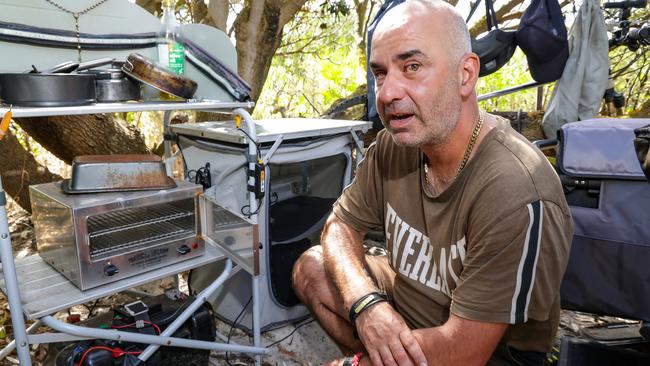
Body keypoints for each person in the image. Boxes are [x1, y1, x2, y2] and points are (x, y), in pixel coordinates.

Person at [291, 0, 573, 365]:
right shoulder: (396, 146)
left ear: (465, 75)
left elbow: (465, 351)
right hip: (408, 308)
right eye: (380, 73)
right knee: (311, 267)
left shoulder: (517, 189)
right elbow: (339, 228)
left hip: (482, 354)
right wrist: (366, 305)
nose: (387, 94)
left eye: (411, 67)